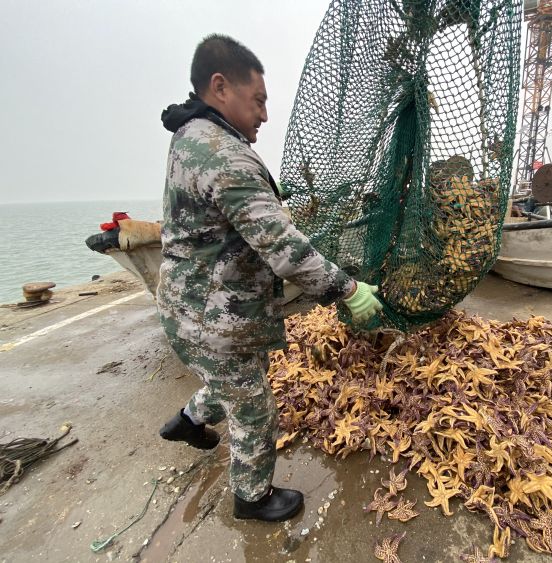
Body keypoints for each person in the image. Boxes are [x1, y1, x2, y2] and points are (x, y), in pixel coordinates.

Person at [156, 34, 382, 522]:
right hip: (209, 316)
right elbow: (283, 247)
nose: (264, 114)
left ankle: (188, 420)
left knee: (236, 380)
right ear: (220, 87)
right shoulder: (224, 155)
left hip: (201, 304)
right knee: (254, 405)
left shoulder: (192, 134)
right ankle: (252, 497)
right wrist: (348, 289)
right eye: (258, 100)